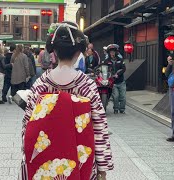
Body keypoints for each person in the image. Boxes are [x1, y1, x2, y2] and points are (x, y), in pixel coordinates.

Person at [20, 21, 113, 180]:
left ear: (53, 52)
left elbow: (27, 126)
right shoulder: (87, 85)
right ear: (79, 53)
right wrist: (102, 168)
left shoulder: (41, 84)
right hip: (79, 159)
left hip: (43, 162)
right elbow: (99, 128)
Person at [104, 44, 126, 114]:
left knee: (123, 96)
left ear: (116, 52)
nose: (112, 53)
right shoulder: (106, 61)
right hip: (113, 82)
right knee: (115, 97)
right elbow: (104, 68)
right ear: (109, 53)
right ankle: (116, 108)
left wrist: (118, 74)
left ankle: (122, 109)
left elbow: (124, 69)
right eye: (111, 52)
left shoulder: (120, 60)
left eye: (113, 52)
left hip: (121, 81)